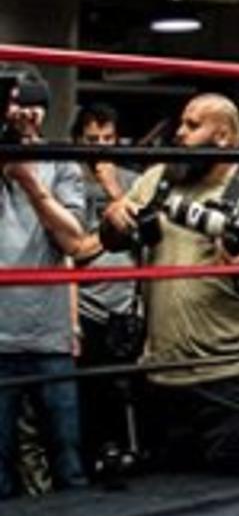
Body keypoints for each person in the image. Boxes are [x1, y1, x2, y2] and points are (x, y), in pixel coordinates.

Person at [99, 93, 239, 475]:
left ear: (224, 136)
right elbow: (110, 238)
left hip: (229, 374)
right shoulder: (157, 178)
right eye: (182, 123)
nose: (180, 133)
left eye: (193, 126)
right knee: (167, 494)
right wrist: (115, 215)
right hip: (161, 373)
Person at [0, 71, 95, 497]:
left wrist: (28, 180)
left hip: (49, 336)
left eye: (34, 105)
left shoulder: (60, 162)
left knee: (67, 456)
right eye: (17, 104)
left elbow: (74, 240)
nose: (25, 114)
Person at [71, 102, 143, 481]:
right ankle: (94, 467)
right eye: (92, 139)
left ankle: (128, 458)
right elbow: (73, 247)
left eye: (107, 139)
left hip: (127, 302)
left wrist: (115, 191)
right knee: (90, 395)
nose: (100, 146)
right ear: (77, 140)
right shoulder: (69, 180)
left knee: (129, 392)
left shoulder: (131, 181)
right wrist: (112, 233)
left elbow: (144, 237)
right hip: (86, 303)